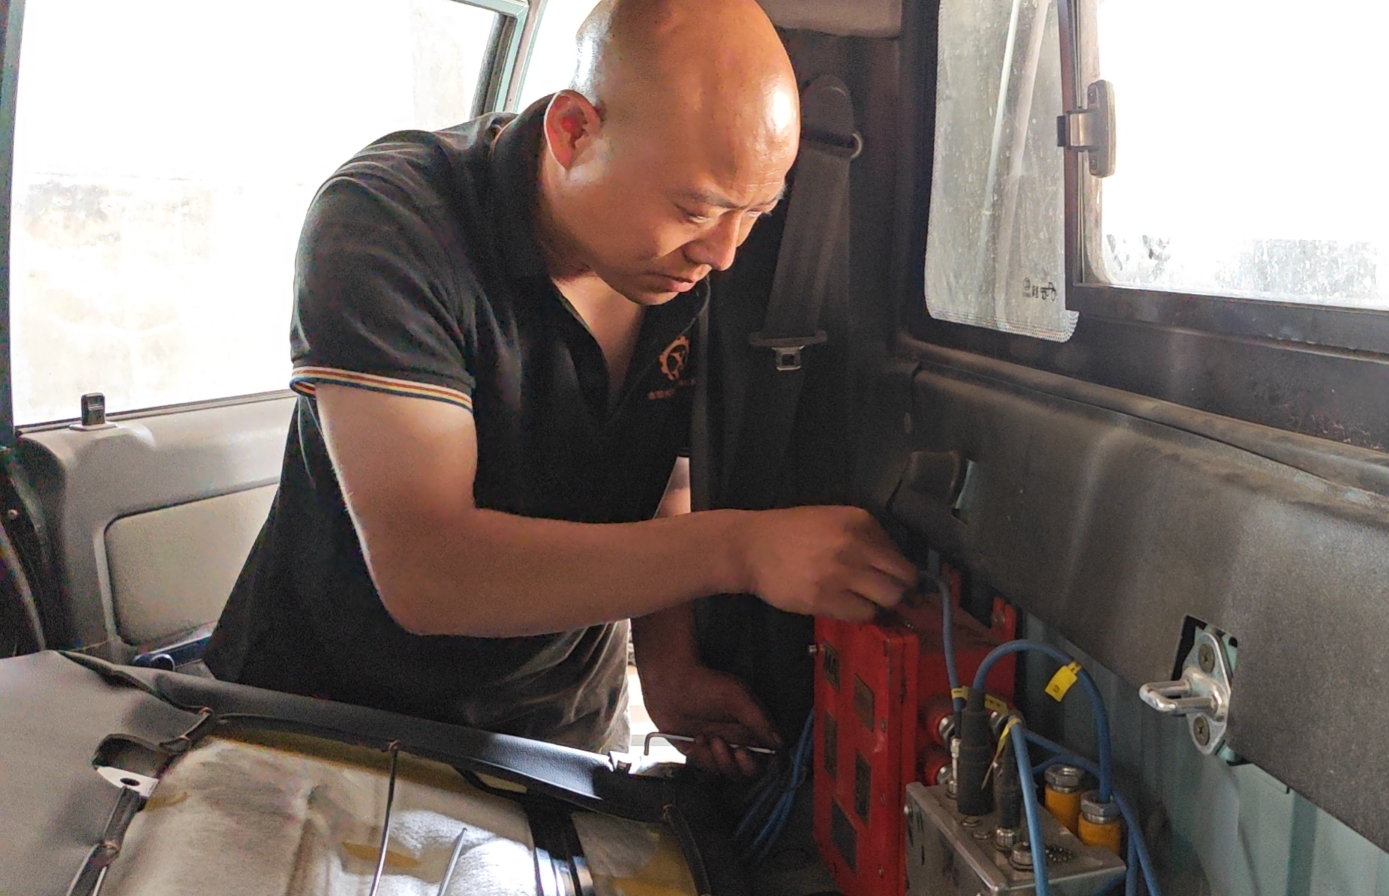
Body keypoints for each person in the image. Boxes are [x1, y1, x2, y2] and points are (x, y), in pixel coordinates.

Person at [206, 0, 915, 775]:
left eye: (754, 213)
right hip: (325, 725)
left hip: (557, 733)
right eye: (694, 209)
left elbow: (661, 476)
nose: (723, 253)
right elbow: (428, 570)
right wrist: (741, 549)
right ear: (574, 132)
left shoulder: (691, 266)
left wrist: (670, 667)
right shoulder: (392, 220)